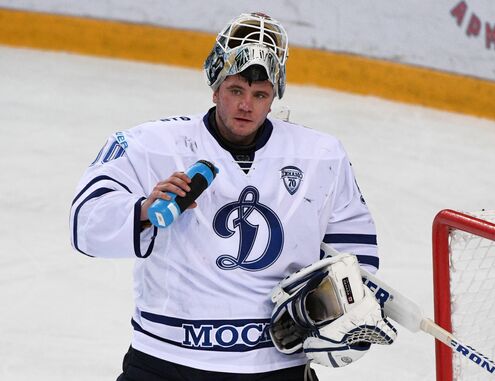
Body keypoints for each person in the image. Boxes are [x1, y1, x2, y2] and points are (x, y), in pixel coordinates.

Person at [70, 12, 395, 381]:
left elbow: (353, 245)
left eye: (260, 95)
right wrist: (143, 211)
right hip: (167, 361)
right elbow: (85, 223)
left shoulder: (321, 155)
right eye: (236, 91)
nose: (247, 105)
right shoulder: (150, 145)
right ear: (215, 87)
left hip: (276, 362)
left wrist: (345, 304)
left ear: (274, 97)